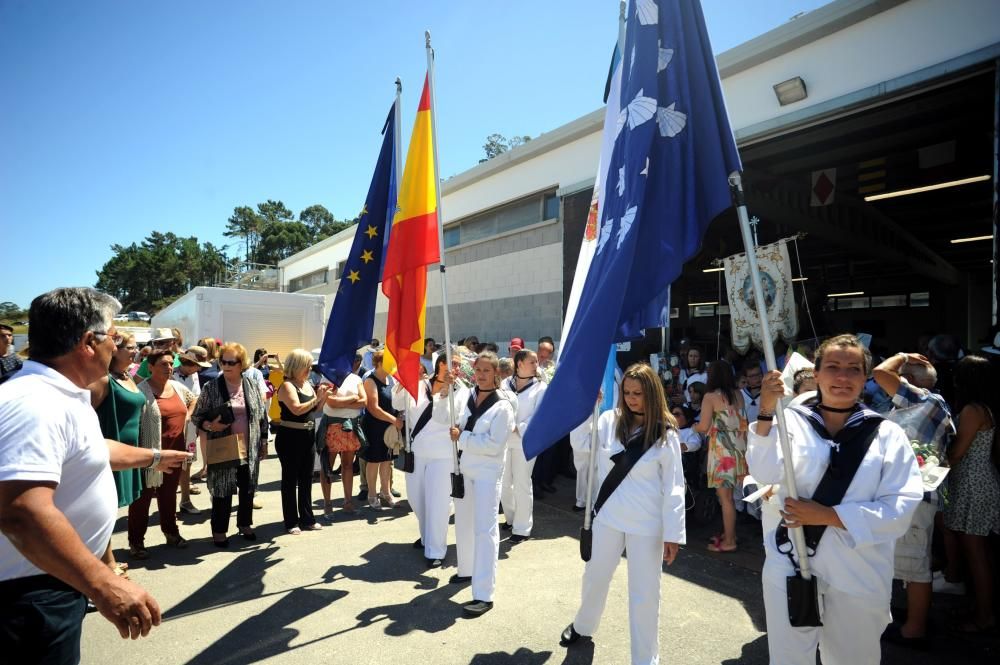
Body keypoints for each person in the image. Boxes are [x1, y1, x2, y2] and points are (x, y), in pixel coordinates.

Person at [0, 287, 189, 661]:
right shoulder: (34, 402)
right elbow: (20, 510)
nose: (118, 346)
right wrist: (104, 584)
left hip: (52, 581)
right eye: (114, 337)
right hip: (28, 596)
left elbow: (93, 449)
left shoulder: (67, 393)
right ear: (89, 342)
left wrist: (152, 456)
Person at [747, 334, 922, 665]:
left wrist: (828, 516)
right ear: (817, 373)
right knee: (788, 659)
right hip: (792, 561)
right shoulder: (789, 424)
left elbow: (900, 508)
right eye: (833, 367)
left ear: (866, 376)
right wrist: (767, 410)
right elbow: (764, 471)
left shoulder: (888, 435)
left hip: (858, 570)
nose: (842, 377)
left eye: (853, 369)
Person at [559, 363, 686, 665]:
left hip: (647, 525)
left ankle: (645, 659)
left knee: (645, 595)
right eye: (627, 392)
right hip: (608, 516)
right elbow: (582, 447)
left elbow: (674, 487)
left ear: (652, 394)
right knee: (594, 577)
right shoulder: (606, 420)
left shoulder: (666, 435)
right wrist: (585, 411)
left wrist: (673, 534)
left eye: (638, 393)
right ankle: (583, 625)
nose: (631, 398)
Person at [872, 351, 954, 646]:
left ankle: (915, 629)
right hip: (913, 495)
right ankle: (911, 620)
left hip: (915, 496)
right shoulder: (925, 405)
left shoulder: (926, 400)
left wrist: (902, 355)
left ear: (910, 381)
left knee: (915, 563)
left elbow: (880, 373)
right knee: (909, 559)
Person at [448, 351, 516, 616]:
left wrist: (461, 437)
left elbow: (493, 445)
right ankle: (466, 570)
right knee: (463, 525)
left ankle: (484, 594)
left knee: (485, 531)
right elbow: (455, 421)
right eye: (478, 370)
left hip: (488, 473)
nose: (481, 375)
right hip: (465, 470)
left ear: (497, 373)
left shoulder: (504, 406)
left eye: (487, 371)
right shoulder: (467, 397)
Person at [942, 354, 999, 633]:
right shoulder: (984, 407)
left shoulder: (972, 410)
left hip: (973, 484)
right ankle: (981, 607)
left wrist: (931, 459)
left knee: (975, 553)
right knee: (981, 551)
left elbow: (957, 453)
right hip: (979, 482)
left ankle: (985, 616)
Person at [192, 342, 268, 547]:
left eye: (231, 362)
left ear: (241, 363)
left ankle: (244, 524)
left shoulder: (250, 384)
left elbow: (262, 415)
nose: (225, 365)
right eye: (222, 361)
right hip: (224, 445)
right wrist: (208, 425)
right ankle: (219, 531)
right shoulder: (211, 387)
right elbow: (196, 416)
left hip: (249, 446)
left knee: (248, 488)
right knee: (222, 489)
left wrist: (263, 440)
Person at [393, 354, 466, 567]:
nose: (457, 368)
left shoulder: (461, 391)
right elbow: (397, 403)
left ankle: (436, 550)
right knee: (417, 499)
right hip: (417, 451)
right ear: (441, 364)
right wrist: (402, 380)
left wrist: (446, 393)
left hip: (443, 455)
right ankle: (427, 536)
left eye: (459, 365)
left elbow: (456, 417)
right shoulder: (419, 384)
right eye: (454, 364)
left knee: (438, 503)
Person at [128, 349, 197, 557]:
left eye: (170, 364)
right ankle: (136, 543)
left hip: (175, 454)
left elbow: (193, 399)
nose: (169, 368)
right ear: (150, 368)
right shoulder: (140, 391)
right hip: (150, 455)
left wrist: (188, 417)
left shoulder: (177, 387)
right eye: (163, 364)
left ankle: (171, 532)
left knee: (168, 496)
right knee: (142, 500)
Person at [89, 332, 145, 578]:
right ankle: (105, 562)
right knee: (102, 509)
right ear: (115, 350)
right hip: (111, 452)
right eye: (130, 348)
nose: (135, 352)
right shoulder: (103, 380)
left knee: (111, 508)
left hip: (129, 452)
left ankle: (106, 558)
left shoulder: (129, 375)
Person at [694, 360, 747, 553]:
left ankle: (730, 540)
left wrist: (691, 427)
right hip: (739, 448)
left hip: (722, 451)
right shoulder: (739, 394)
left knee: (725, 498)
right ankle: (729, 532)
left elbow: (703, 426)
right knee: (730, 497)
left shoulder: (710, 396)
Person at [275, 349, 330, 534]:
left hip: (307, 435)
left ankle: (307, 518)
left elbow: (314, 410)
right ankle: (291, 521)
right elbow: (297, 409)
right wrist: (317, 398)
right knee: (290, 480)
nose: (309, 369)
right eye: (306, 365)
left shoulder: (306, 383)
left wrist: (323, 398)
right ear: (296, 366)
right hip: (290, 437)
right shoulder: (287, 386)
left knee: (307, 479)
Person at [500, 349, 547, 542]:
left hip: (524, 442)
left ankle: (522, 528)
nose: (537, 365)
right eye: (532, 362)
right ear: (519, 364)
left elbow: (540, 415)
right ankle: (511, 518)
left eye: (536, 362)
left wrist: (518, 428)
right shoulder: (504, 384)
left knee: (522, 482)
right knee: (503, 483)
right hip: (503, 440)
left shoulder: (541, 387)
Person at [321, 366, 367, 513]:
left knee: (348, 465)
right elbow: (331, 402)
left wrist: (342, 402)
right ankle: (327, 504)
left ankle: (348, 502)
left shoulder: (356, 378)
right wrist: (353, 398)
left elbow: (364, 401)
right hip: (332, 426)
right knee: (328, 466)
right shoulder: (328, 376)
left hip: (351, 425)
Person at [361, 350, 404, 510]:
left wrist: (398, 416)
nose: (393, 365)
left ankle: (386, 493)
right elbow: (373, 408)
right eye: (390, 362)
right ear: (379, 362)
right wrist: (394, 420)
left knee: (387, 460)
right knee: (374, 462)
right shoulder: (370, 381)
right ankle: (371, 494)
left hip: (389, 427)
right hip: (374, 427)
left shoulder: (390, 380)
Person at [174, 347, 208, 515]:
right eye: (198, 365)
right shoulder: (169, 373)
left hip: (191, 425)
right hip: (171, 424)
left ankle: (185, 501)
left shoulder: (195, 376)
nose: (200, 369)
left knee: (187, 462)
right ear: (188, 362)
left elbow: (197, 397)